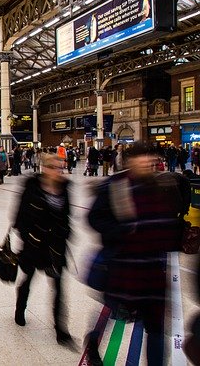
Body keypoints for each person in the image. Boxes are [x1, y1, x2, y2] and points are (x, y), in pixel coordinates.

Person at [85, 142, 189, 366]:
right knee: (112, 310)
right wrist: (120, 230)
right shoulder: (115, 186)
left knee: (156, 328)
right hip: (123, 267)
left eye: (150, 157)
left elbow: (172, 219)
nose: (148, 162)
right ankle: (93, 341)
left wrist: (181, 234)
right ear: (130, 161)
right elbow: (94, 218)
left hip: (153, 271)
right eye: (142, 157)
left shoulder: (163, 184)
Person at [13, 153, 74, 348]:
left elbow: (67, 215)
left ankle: (60, 329)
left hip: (55, 246)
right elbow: (19, 215)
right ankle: (20, 307)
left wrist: (66, 233)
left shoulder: (65, 188)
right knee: (27, 279)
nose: (59, 171)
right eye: (55, 167)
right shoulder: (31, 186)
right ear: (45, 168)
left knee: (57, 287)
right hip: (34, 244)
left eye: (61, 167)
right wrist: (27, 236)